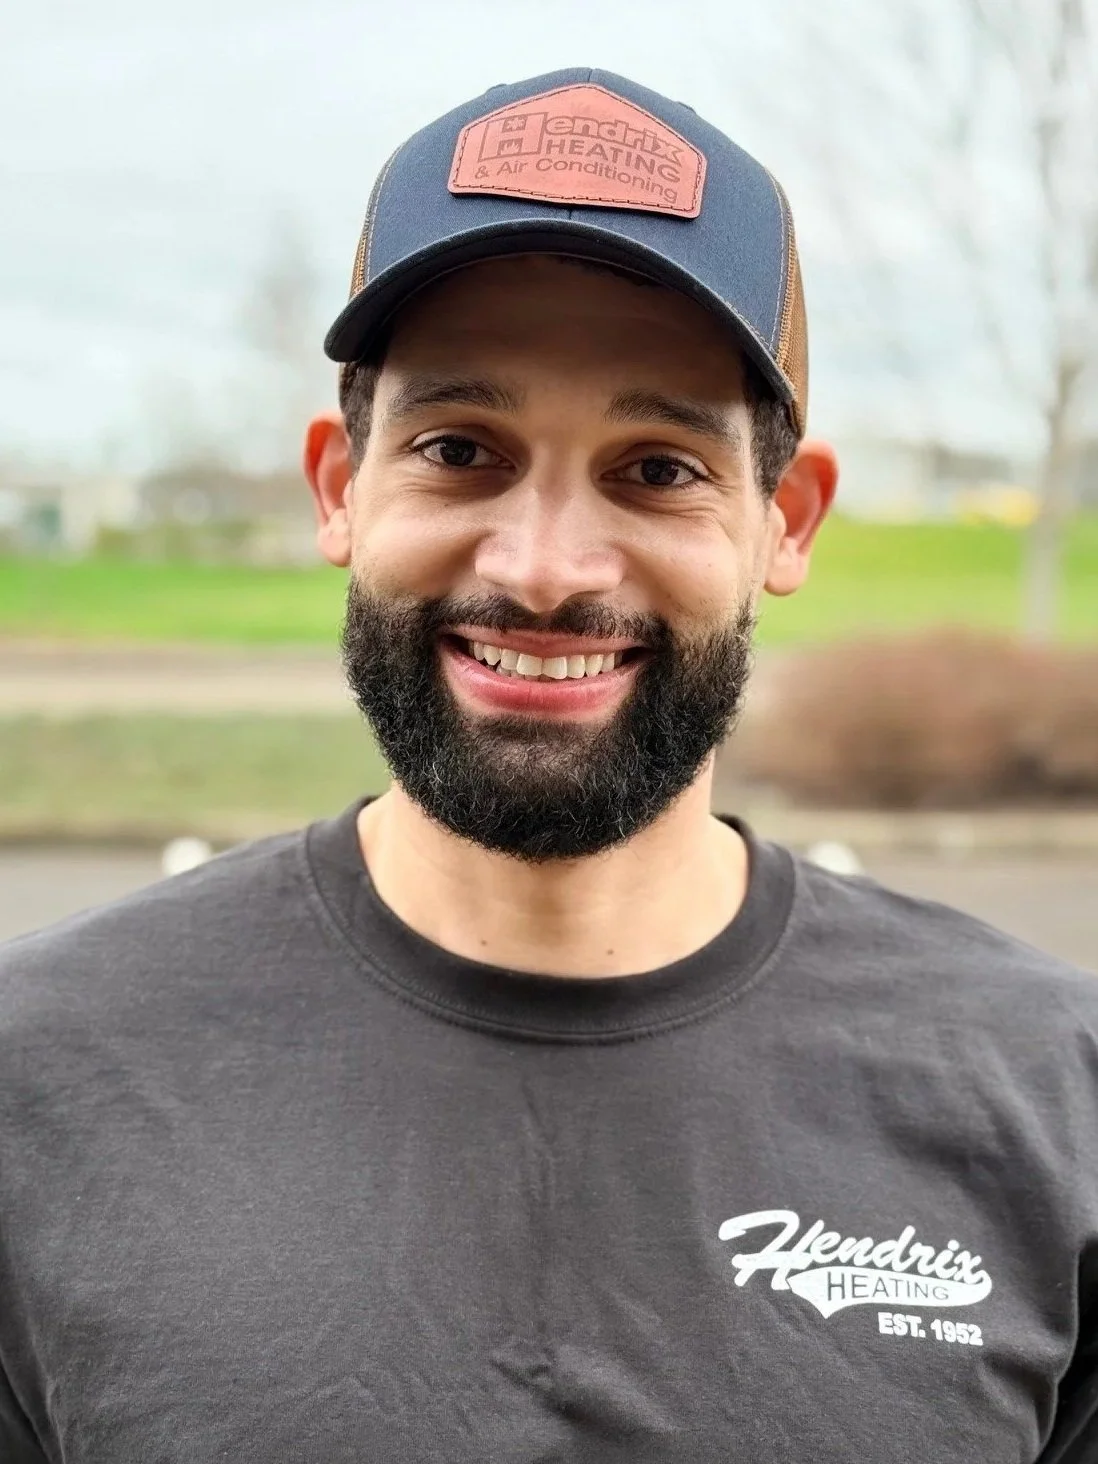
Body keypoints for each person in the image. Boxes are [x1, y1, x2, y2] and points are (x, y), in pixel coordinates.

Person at [0, 67, 1095, 1464]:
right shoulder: (39, 1079)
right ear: (342, 484)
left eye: (656, 469)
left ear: (786, 521)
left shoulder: (1053, 1103)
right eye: (461, 449)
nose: (542, 568)